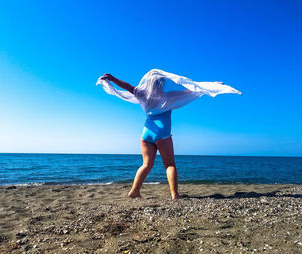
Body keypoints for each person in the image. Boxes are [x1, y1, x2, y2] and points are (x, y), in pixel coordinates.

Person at [97, 69, 241, 200]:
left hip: (146, 132)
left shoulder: (141, 93)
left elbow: (127, 86)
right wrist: (211, 85)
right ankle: (174, 195)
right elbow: (191, 89)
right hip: (162, 132)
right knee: (170, 165)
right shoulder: (168, 95)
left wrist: (112, 78)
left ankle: (134, 191)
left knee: (146, 164)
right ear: (162, 84)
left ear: (148, 83)